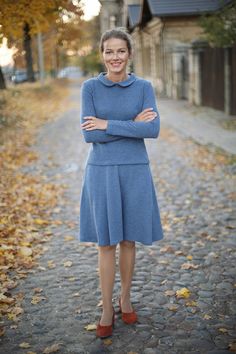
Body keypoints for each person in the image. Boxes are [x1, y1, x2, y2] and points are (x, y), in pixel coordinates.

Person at [79, 27, 164, 339]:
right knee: (106, 243)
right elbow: (90, 134)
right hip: (101, 170)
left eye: (120, 51)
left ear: (129, 54)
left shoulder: (143, 87)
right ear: (102, 54)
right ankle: (105, 306)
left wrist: (108, 124)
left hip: (134, 169)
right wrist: (131, 125)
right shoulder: (90, 88)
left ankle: (125, 298)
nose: (115, 57)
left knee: (128, 240)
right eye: (109, 51)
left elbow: (152, 130)